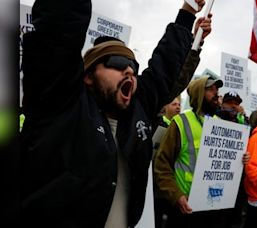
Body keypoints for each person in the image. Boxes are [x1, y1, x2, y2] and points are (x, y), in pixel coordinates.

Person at [20, 0, 209, 227]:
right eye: (117, 63)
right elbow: (59, 31)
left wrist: (188, 12)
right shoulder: (60, 104)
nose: (129, 70)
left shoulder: (137, 111)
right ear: (88, 76)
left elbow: (165, 67)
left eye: (133, 67)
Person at [154, 76, 226, 228]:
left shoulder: (219, 124)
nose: (216, 94)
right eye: (210, 89)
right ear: (199, 93)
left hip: (213, 206)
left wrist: (241, 159)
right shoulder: (180, 122)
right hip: (185, 208)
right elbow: (162, 165)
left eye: (217, 90)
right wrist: (176, 195)